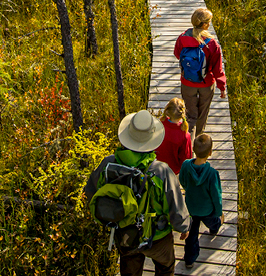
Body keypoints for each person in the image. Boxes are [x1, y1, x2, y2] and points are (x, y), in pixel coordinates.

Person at [85, 110, 190, 276]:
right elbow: (175, 205)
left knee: (130, 271)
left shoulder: (108, 164)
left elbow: (91, 192)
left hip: (124, 233)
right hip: (158, 237)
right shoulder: (161, 171)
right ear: (152, 140)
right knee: (166, 267)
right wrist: (183, 226)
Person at [174, 7, 226, 137]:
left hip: (187, 83)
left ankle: (188, 145)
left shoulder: (182, 38)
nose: (210, 24)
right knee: (202, 113)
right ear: (204, 25)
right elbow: (217, 69)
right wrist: (222, 87)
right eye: (209, 21)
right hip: (206, 84)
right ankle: (199, 139)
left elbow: (177, 54)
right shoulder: (212, 44)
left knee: (191, 116)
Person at [178, 133, 223, 270]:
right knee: (213, 221)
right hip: (207, 210)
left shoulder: (186, 165)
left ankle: (189, 260)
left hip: (191, 208)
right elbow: (216, 196)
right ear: (210, 152)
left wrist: (188, 188)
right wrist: (219, 212)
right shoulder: (212, 174)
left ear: (193, 150)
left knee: (191, 236)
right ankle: (214, 228)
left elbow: (182, 181)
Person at [155, 98, 193, 176]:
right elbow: (186, 157)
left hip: (156, 166)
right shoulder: (184, 135)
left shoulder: (159, 125)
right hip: (172, 171)